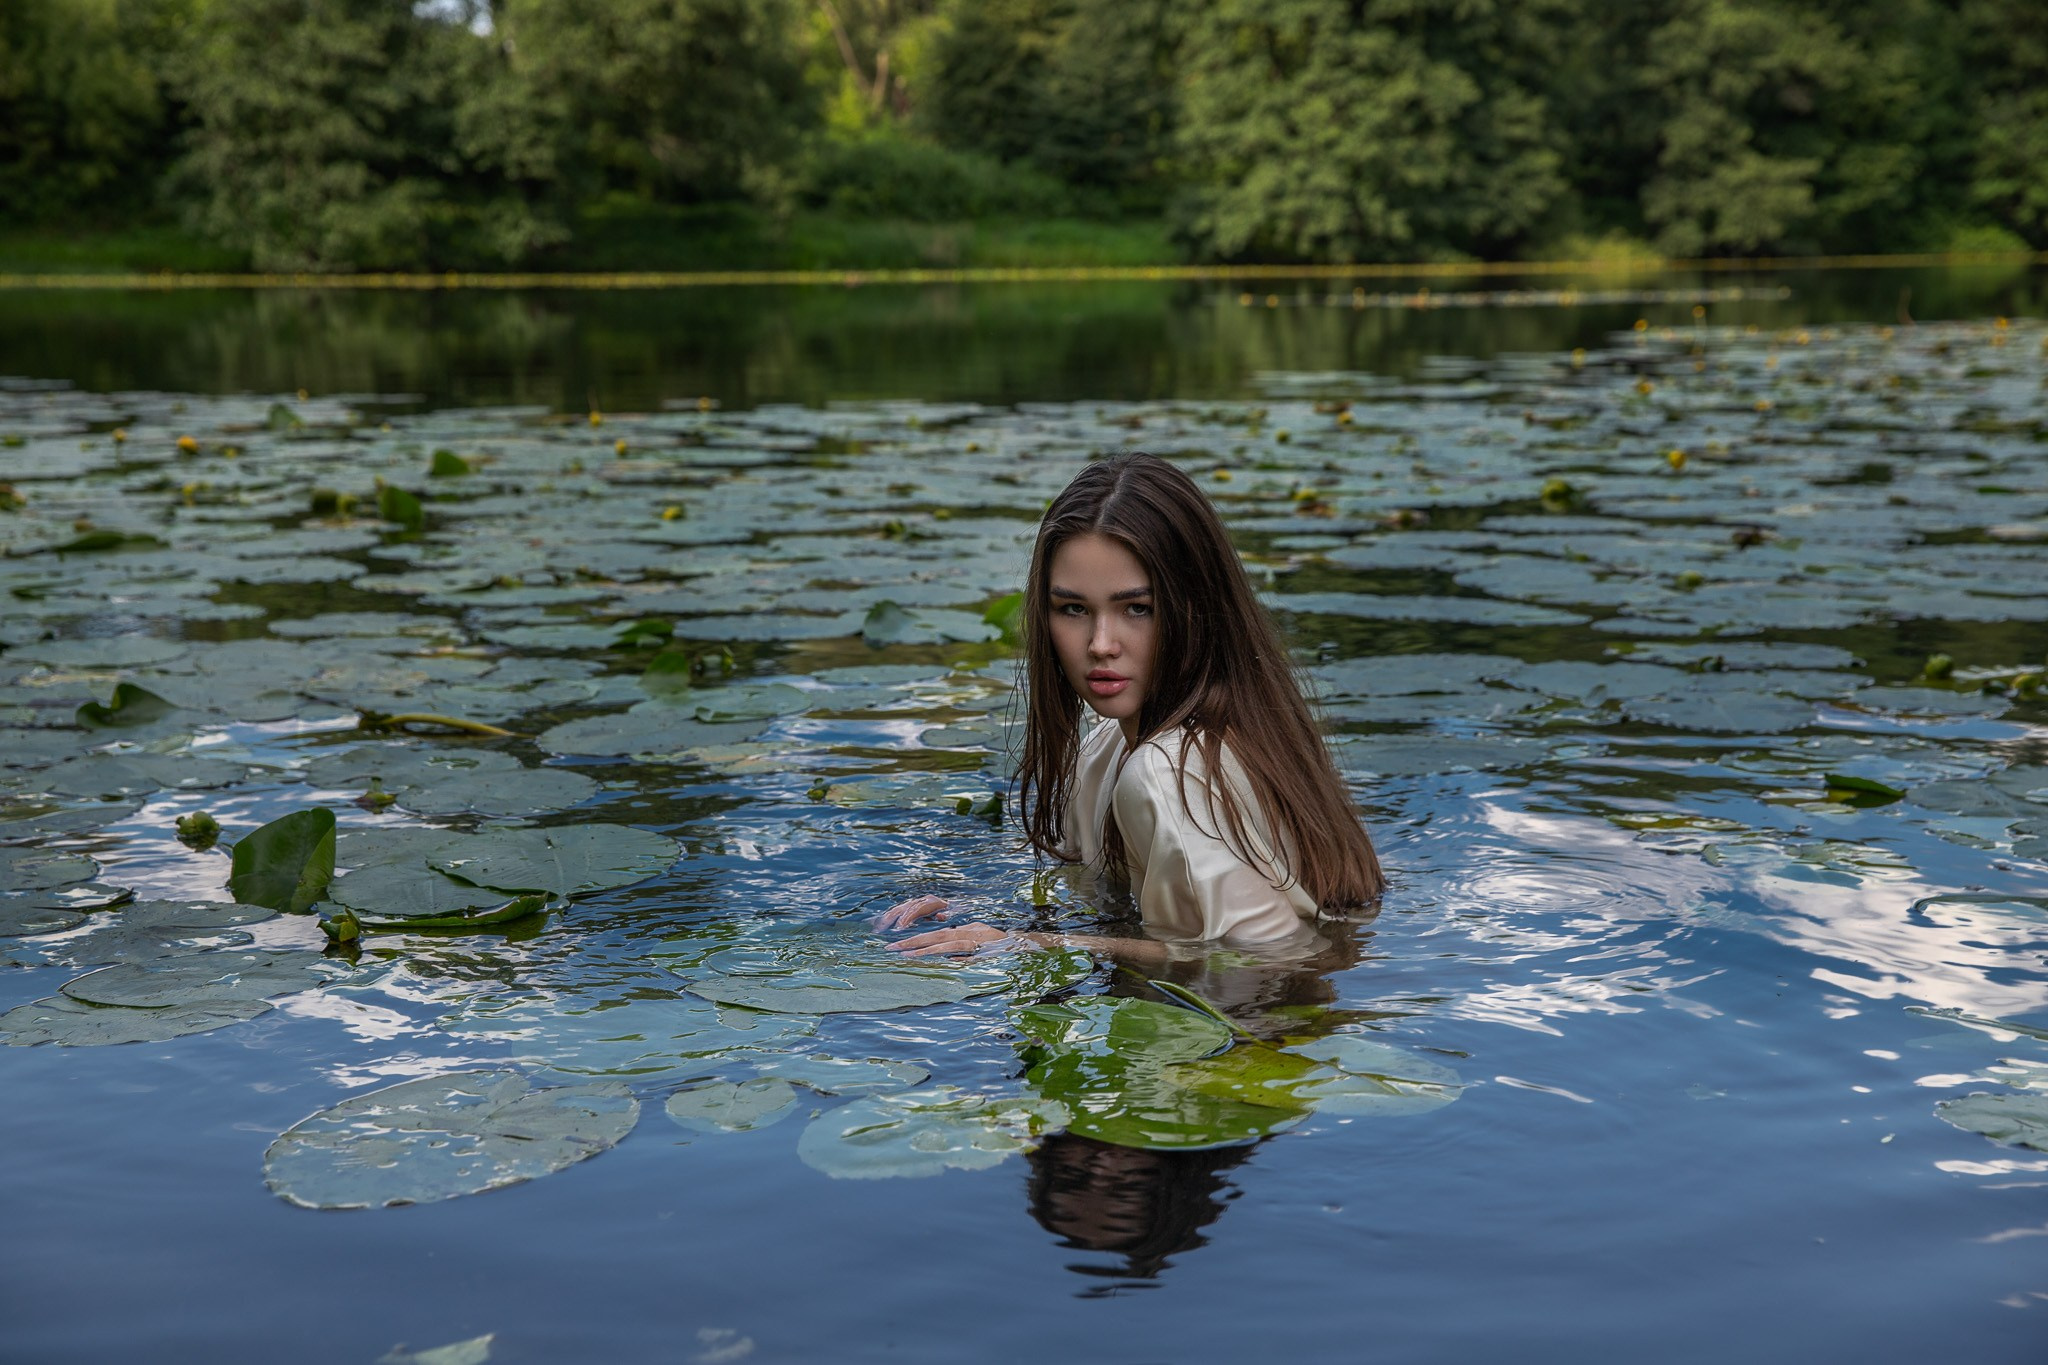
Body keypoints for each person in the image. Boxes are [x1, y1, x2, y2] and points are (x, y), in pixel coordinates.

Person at [880, 452, 1384, 962]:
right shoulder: (1112, 747)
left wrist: (1026, 944)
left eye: (1138, 609)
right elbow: (1101, 898)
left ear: (1197, 611)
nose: (1101, 643)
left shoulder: (1164, 772)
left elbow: (1259, 958)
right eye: (1073, 609)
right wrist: (973, 917)